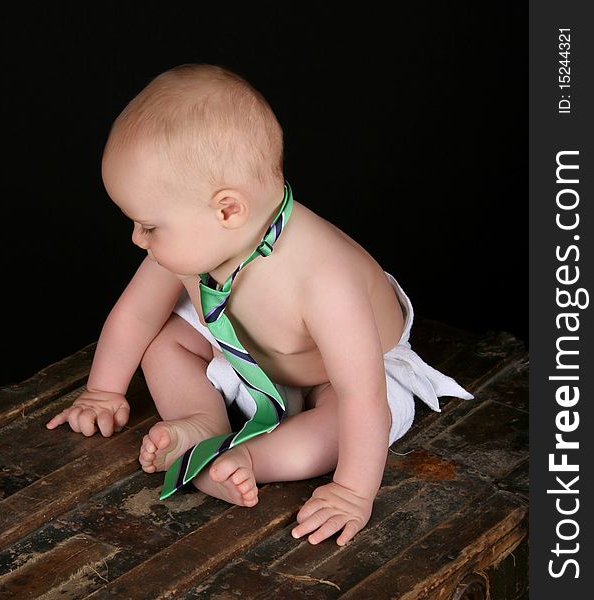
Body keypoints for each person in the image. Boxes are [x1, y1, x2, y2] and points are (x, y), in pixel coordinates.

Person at [46, 63, 472, 546]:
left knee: (349, 420)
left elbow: (362, 396)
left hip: (347, 376)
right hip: (249, 353)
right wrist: (103, 391)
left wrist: (353, 491)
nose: (136, 238)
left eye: (148, 225)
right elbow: (135, 315)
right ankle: (200, 419)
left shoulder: (324, 279)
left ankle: (251, 459)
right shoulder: (198, 245)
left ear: (228, 208)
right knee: (164, 339)